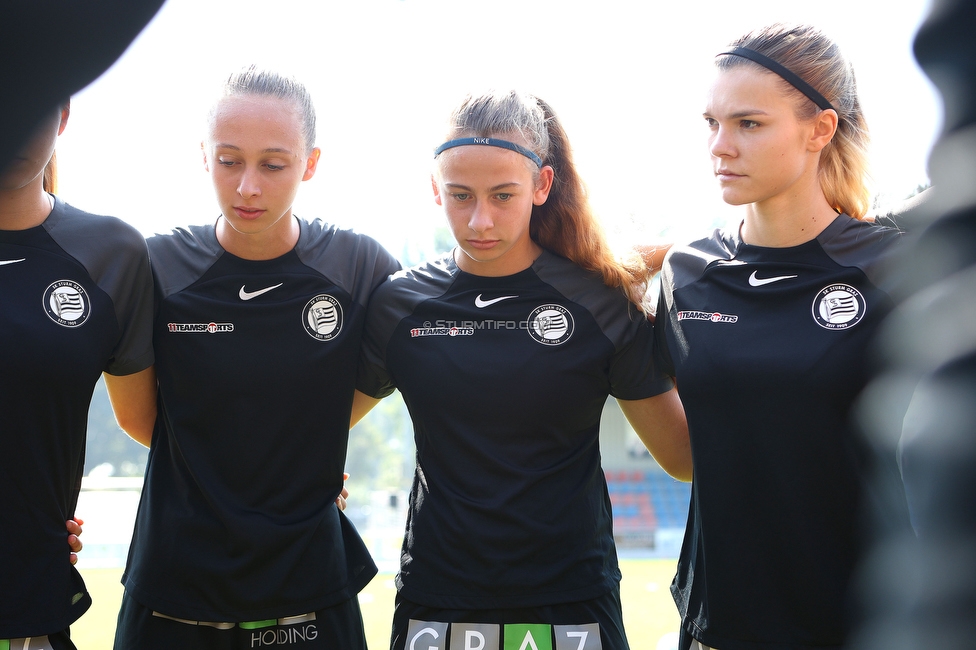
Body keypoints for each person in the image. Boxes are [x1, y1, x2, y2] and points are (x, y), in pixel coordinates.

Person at [354, 90, 691, 650]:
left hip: (571, 596)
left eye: (502, 195)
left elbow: (680, 458)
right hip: (438, 597)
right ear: (434, 188)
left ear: (542, 185)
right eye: (460, 195)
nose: (479, 219)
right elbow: (321, 425)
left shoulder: (602, 304)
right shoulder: (399, 305)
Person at [112, 67, 400, 650]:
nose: (247, 186)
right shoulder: (156, 267)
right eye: (228, 160)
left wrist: (299, 455)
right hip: (175, 584)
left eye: (273, 164)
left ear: (310, 163)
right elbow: (139, 420)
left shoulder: (359, 268)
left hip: (311, 586)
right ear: (203, 155)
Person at [653, 24, 910, 650]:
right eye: (711, 123)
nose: (720, 146)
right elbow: (688, 456)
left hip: (860, 625)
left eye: (748, 124)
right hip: (718, 628)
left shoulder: (895, 270)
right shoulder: (685, 274)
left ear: (820, 130)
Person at [1, 102, 156, 649]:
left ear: (62, 113)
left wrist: (298, 479)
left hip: (31, 609)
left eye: (28, 100)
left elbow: (156, 426)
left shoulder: (111, 254)